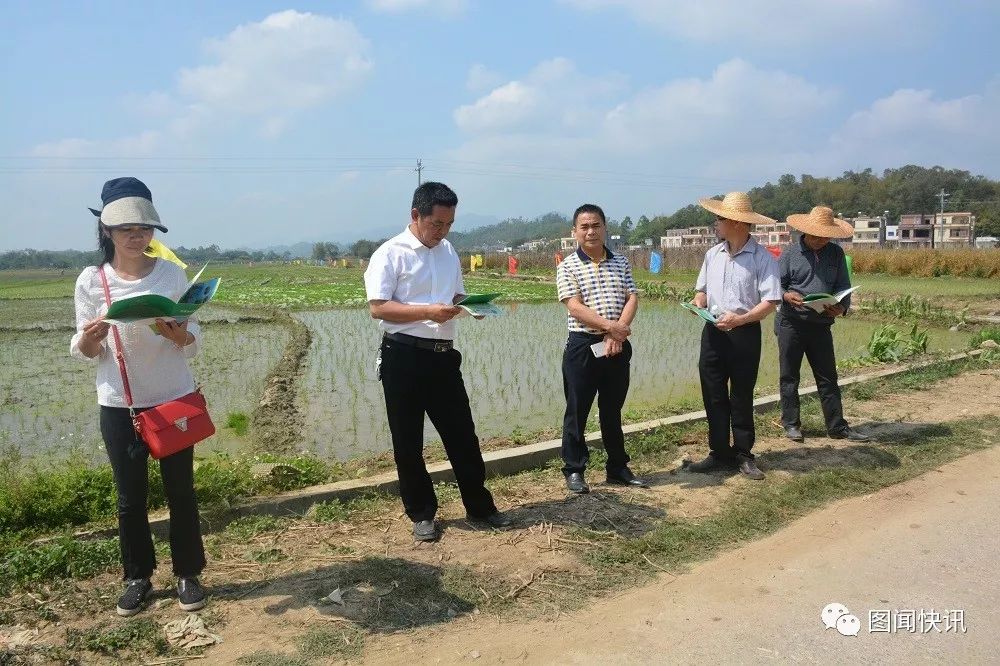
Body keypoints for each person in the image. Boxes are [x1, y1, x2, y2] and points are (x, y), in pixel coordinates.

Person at [71, 177, 207, 616]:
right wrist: (92, 338)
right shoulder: (92, 281)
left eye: (145, 228)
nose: (137, 235)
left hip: (172, 398)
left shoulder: (171, 273)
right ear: (106, 231)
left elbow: (194, 335)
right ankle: (137, 577)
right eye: (127, 228)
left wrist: (180, 333)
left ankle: (188, 573)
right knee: (129, 497)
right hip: (120, 404)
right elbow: (86, 351)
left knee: (181, 492)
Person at [363, 182, 510, 542]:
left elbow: (455, 294)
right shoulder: (390, 253)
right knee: (408, 441)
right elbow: (378, 307)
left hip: (444, 359)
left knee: (462, 435)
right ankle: (422, 513)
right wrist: (429, 311)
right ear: (416, 215)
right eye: (437, 224)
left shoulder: (448, 252)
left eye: (449, 224)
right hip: (404, 357)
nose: (443, 231)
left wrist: (472, 304)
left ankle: (479, 506)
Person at [688, 192, 782, 480]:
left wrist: (740, 319)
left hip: (744, 334)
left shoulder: (762, 258)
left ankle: (743, 453)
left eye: (720, 219)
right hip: (713, 332)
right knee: (713, 393)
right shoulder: (712, 254)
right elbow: (701, 290)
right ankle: (718, 452)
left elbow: (771, 301)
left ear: (738, 223)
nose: (716, 224)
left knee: (741, 394)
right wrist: (698, 302)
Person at [556, 204, 646, 494]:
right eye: (584, 227)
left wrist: (617, 332)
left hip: (617, 344)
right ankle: (574, 469)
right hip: (583, 346)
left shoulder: (621, 262)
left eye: (596, 225)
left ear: (605, 227)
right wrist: (611, 327)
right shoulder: (568, 265)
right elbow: (574, 305)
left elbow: (632, 296)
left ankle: (617, 467)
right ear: (574, 232)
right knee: (577, 411)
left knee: (612, 410)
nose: (591, 231)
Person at [777, 206, 870, 443]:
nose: (820, 240)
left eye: (826, 236)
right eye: (816, 235)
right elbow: (776, 286)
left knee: (828, 377)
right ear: (805, 231)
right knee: (789, 377)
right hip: (792, 323)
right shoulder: (790, 255)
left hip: (821, 324)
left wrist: (841, 307)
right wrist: (786, 296)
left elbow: (842, 286)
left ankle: (837, 427)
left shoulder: (836, 254)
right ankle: (791, 424)